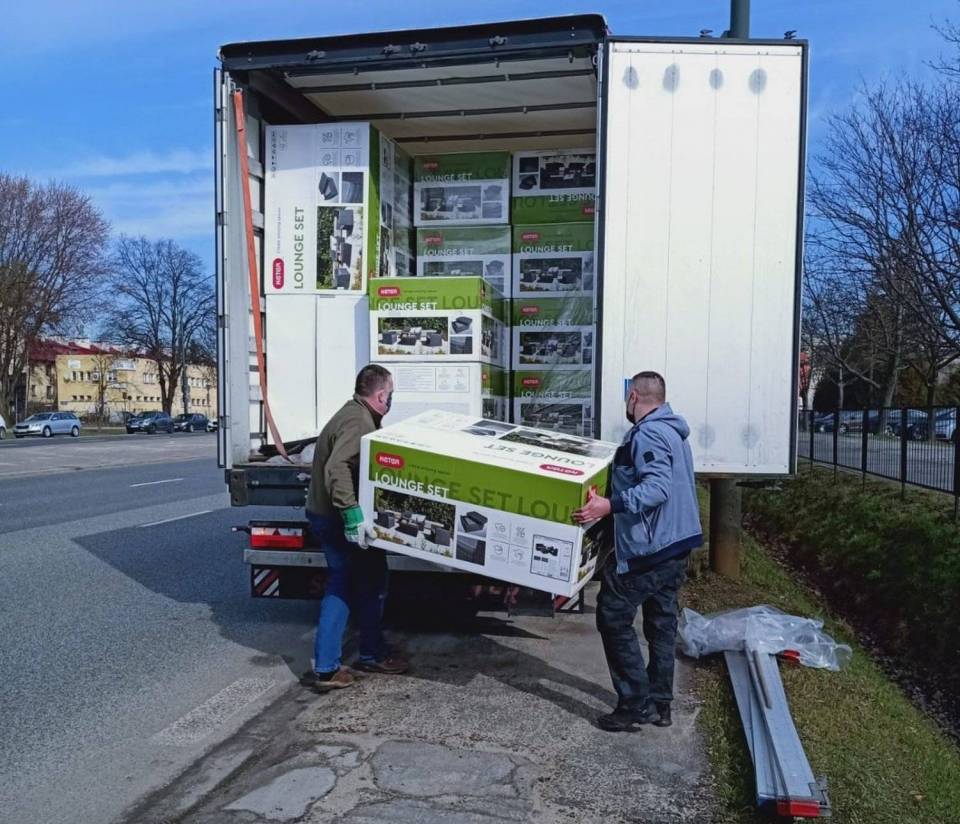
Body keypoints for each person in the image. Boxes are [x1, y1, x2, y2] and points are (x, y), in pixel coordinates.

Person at [573, 371, 702, 731]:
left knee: (613, 615)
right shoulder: (673, 432)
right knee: (660, 624)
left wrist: (609, 506)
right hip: (677, 544)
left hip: (652, 548)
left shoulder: (648, 434)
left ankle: (634, 703)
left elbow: (657, 488)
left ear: (633, 397)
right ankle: (660, 704)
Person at [303, 364, 409, 691]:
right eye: (391, 393)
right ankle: (327, 667)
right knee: (345, 584)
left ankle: (371, 651)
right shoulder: (358, 420)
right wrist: (351, 513)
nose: (391, 399)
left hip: (330, 515)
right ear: (381, 395)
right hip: (335, 519)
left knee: (372, 578)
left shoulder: (358, 413)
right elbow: (337, 467)